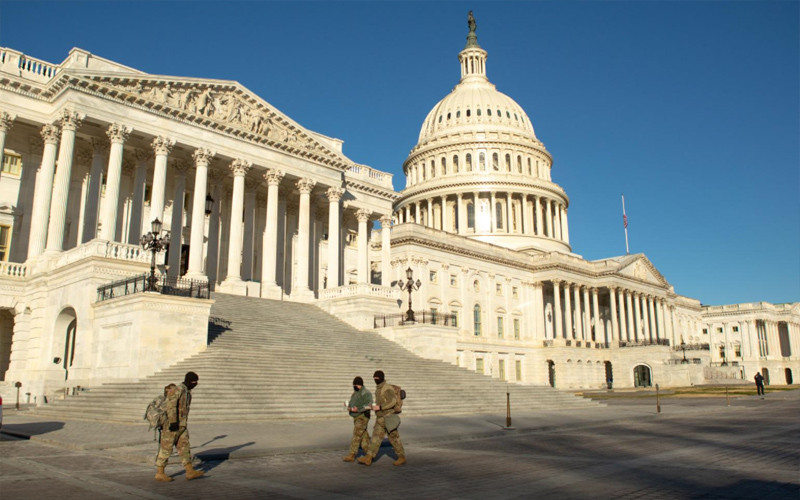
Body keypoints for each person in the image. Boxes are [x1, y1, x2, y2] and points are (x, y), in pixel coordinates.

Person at [155, 371, 205, 482]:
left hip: (182, 426)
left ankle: (190, 471)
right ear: (190, 381)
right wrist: (173, 422)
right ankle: (160, 473)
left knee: (184, 447)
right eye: (195, 382)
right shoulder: (178, 390)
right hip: (172, 426)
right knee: (166, 448)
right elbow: (171, 406)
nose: (196, 384)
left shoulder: (187, 391)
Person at [358, 370, 405, 467]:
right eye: (374, 378)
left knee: (394, 438)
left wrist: (380, 407)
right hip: (380, 418)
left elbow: (392, 401)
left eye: (377, 378)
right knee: (375, 438)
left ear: (381, 378)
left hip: (388, 418)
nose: (375, 380)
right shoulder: (379, 388)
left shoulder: (387, 388)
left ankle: (401, 457)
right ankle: (368, 458)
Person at [342, 376, 373, 462]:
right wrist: (348, 406)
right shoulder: (355, 393)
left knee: (356, 434)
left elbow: (369, 405)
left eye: (355, 385)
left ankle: (352, 454)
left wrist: (358, 409)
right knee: (364, 437)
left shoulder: (366, 393)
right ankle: (369, 455)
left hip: (362, 416)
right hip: (356, 416)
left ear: (359, 385)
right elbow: (352, 403)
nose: (354, 387)